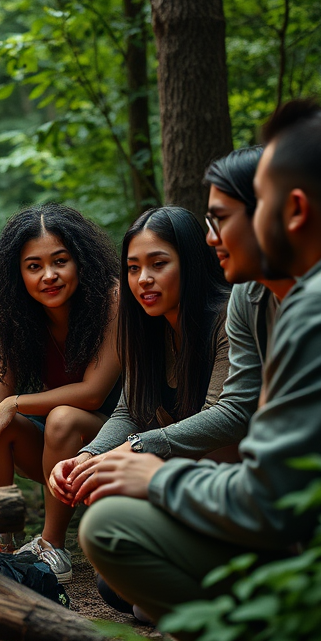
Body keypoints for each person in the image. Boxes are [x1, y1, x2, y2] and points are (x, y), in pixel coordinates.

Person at [76, 101, 321, 632]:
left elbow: (270, 499)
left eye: (254, 205)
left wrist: (159, 476)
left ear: (294, 209)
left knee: (111, 527)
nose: (215, 237)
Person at [0, 203, 123, 583]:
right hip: (59, 457)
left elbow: (93, 394)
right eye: (34, 266)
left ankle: (53, 545)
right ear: (19, 273)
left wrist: (15, 402)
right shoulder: (12, 315)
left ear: (81, 261)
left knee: (61, 417)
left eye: (60, 261)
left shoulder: (113, 299)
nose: (48, 276)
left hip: (115, 443)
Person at [51, 205, 231, 510]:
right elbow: (129, 411)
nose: (143, 279)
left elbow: (224, 417)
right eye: (133, 268)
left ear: (191, 263)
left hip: (229, 476)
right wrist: (88, 456)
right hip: (176, 472)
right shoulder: (146, 325)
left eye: (158, 264)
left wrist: (135, 447)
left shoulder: (227, 319)